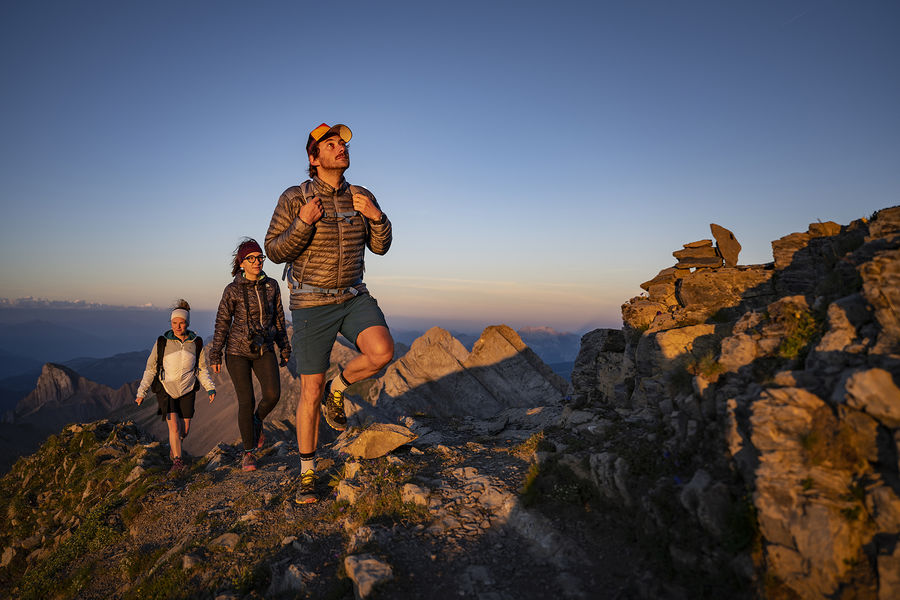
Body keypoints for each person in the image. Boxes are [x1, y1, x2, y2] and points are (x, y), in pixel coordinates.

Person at [265, 122, 394, 504]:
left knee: (383, 352)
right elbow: (274, 251)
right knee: (309, 390)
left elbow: (382, 247)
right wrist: (303, 222)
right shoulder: (294, 197)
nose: (340, 148)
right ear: (313, 157)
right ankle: (308, 474)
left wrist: (376, 216)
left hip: (353, 295)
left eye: (342, 144)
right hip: (312, 302)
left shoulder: (361, 195)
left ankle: (339, 388)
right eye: (330, 144)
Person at [209, 238, 291, 472]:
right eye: (251, 258)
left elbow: (279, 319)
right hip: (237, 352)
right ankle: (249, 453)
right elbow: (222, 322)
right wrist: (215, 354)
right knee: (246, 400)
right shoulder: (232, 289)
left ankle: (256, 421)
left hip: (264, 347)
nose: (257, 262)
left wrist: (284, 347)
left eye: (260, 257)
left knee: (273, 394)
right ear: (241, 263)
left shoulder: (272, 286)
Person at [136, 299, 216, 474]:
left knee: (184, 430)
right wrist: (141, 391)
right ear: (170, 323)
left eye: (181, 323)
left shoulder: (196, 343)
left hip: (187, 389)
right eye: (174, 323)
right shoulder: (162, 342)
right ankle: (178, 462)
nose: (178, 327)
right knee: (174, 427)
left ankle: (175, 446)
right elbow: (150, 369)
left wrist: (210, 387)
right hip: (166, 389)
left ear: (187, 323)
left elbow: (201, 369)